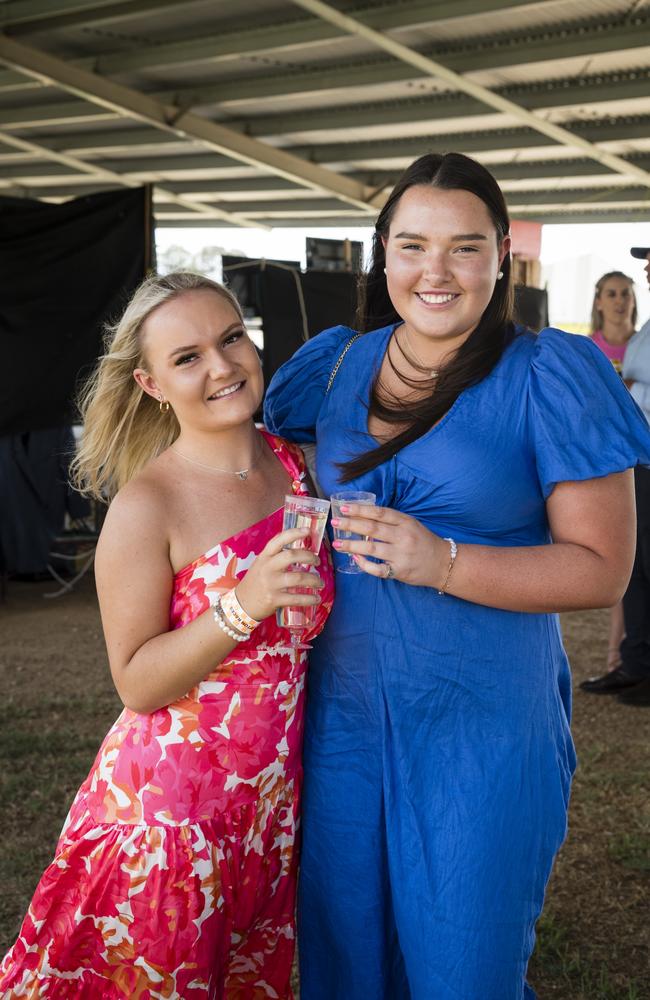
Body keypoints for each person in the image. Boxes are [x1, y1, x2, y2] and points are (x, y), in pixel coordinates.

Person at [264, 152, 650, 1000]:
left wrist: (440, 560)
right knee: (345, 963)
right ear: (383, 255)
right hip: (342, 721)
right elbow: (248, 469)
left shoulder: (551, 373)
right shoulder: (332, 367)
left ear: (502, 254)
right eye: (412, 246)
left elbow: (602, 570)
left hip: (481, 725)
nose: (435, 271)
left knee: (463, 971)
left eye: (464, 247)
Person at [0, 272, 333, 999]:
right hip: (174, 820)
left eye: (232, 338)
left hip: (267, 810)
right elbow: (136, 681)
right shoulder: (147, 506)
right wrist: (242, 604)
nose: (222, 366)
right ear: (152, 384)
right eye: (188, 358)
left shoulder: (295, 466)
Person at [582, 244, 650, 706]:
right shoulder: (643, 333)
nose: (647, 268)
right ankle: (634, 664)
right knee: (637, 569)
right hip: (635, 459)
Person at [588, 271, 638, 670]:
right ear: (599, 301)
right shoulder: (589, 349)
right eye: (612, 293)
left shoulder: (642, 344)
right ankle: (614, 651)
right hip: (605, 459)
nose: (620, 300)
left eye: (626, 293)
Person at [589, 270, 637, 374]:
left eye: (625, 294)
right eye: (611, 295)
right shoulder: (586, 348)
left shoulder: (646, 344)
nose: (620, 300)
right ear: (598, 303)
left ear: (633, 300)